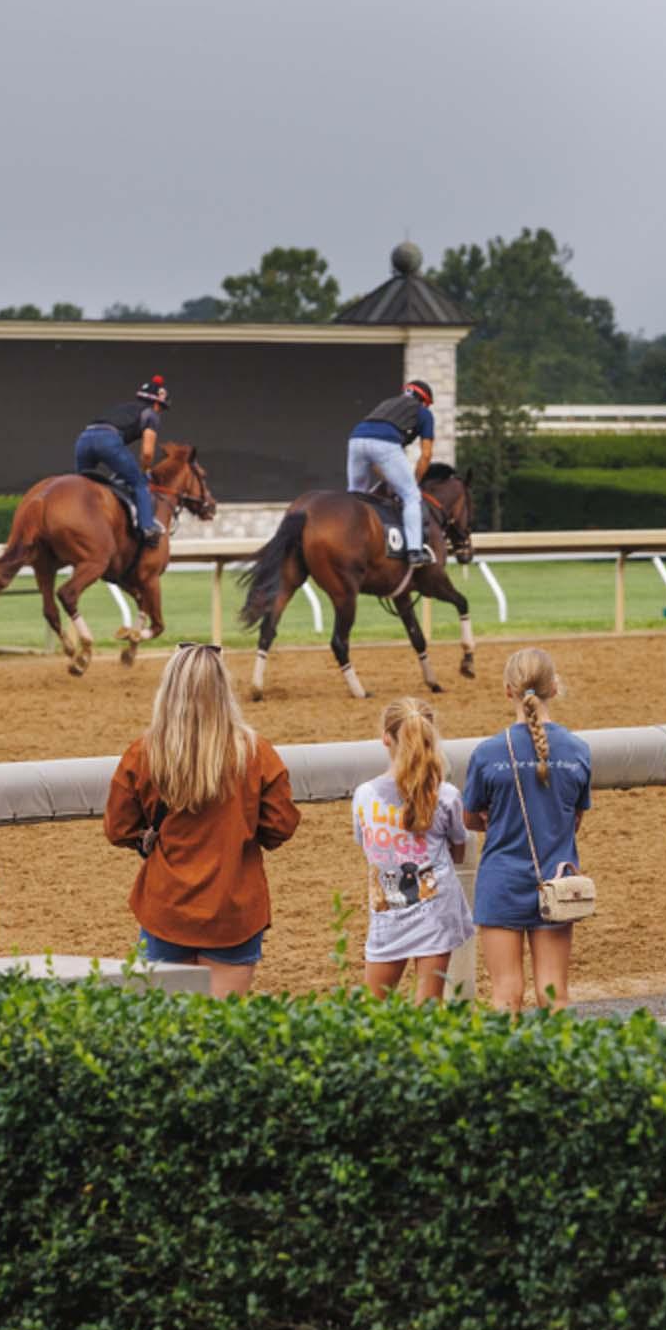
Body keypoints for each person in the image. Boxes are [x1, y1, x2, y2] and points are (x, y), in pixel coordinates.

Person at [104, 642, 300, 996]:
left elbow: (117, 827)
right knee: (222, 1031)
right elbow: (280, 826)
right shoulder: (256, 754)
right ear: (223, 690)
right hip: (233, 909)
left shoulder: (144, 753)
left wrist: (145, 837)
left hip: (166, 907)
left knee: (168, 1029)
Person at [463, 648, 592, 1012]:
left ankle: (509, 1067)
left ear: (508, 691)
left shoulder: (488, 753)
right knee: (555, 993)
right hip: (556, 880)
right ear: (554, 687)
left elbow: (471, 819)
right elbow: (575, 820)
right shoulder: (578, 750)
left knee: (506, 993)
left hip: (501, 880)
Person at [354, 698, 472, 1004]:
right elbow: (459, 850)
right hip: (434, 908)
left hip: (387, 909)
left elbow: (367, 846)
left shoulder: (365, 795)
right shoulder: (446, 795)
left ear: (386, 738)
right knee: (429, 1004)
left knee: (374, 1007)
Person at [347, 379, 437, 566]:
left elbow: (375, 463)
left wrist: (391, 481)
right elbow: (426, 455)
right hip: (385, 443)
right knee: (411, 496)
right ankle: (414, 552)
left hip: (356, 439)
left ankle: (348, 540)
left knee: (356, 494)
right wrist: (414, 482)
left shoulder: (386, 404)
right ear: (424, 401)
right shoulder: (423, 412)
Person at [75, 374, 169, 546]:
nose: (160, 411)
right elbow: (147, 453)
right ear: (157, 403)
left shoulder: (123, 408)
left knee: (82, 488)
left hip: (84, 439)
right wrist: (145, 470)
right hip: (107, 441)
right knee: (139, 483)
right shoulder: (151, 414)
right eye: (162, 407)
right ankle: (147, 528)